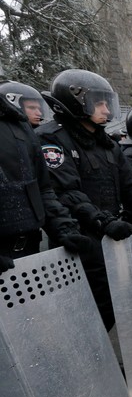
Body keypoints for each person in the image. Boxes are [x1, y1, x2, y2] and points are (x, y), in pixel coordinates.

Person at [38, 69, 132, 330]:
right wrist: (102, 222)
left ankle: (100, 361)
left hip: (108, 234)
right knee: (84, 309)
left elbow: (131, 189)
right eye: (100, 103)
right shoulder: (52, 139)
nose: (106, 110)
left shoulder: (107, 144)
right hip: (80, 236)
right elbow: (67, 192)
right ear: (77, 101)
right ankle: (88, 364)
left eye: (108, 103)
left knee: (111, 304)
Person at [0, 80, 91, 273]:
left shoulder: (21, 128)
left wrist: (65, 229)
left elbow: (42, 189)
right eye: (31, 107)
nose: (38, 113)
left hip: (29, 251)